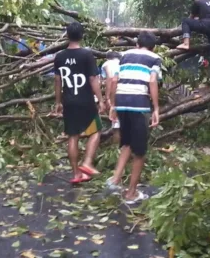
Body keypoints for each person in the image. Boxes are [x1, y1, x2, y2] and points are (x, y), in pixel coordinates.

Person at [106, 31, 161, 204]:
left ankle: (115, 180)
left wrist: (113, 105)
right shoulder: (155, 58)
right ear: (153, 47)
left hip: (121, 101)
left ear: (137, 44)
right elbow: (152, 81)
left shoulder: (124, 55)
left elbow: (114, 80)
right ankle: (131, 193)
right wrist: (156, 108)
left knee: (127, 142)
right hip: (138, 104)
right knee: (140, 152)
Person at [51, 22, 106, 184]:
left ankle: (76, 174)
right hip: (85, 101)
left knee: (72, 136)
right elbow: (93, 79)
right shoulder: (87, 55)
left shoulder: (59, 56)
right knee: (96, 131)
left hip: (69, 101)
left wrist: (58, 102)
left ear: (67, 35)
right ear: (82, 36)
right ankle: (87, 162)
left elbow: (57, 80)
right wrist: (101, 100)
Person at [101, 50, 122, 143]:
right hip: (127, 92)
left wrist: (107, 97)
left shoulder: (107, 64)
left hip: (116, 93)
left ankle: (116, 149)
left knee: (116, 125)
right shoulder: (123, 63)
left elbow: (110, 78)